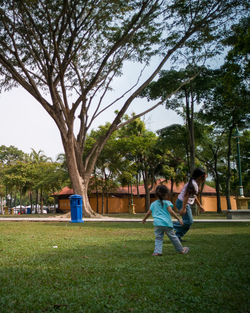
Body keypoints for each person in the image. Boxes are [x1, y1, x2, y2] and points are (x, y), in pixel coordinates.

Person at [142, 184, 189, 256]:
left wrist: (144, 219)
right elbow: (171, 212)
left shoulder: (153, 204)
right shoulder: (167, 203)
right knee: (173, 237)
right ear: (166, 194)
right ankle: (181, 250)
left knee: (158, 238)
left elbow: (149, 213)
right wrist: (179, 219)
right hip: (167, 224)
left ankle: (157, 252)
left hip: (157, 224)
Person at [173, 168, 206, 242]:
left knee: (188, 222)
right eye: (205, 176)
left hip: (183, 202)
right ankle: (168, 226)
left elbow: (194, 196)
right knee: (188, 221)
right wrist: (183, 208)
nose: (206, 177)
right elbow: (186, 196)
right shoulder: (193, 184)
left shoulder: (194, 184)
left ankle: (177, 237)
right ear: (200, 176)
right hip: (182, 202)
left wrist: (199, 206)